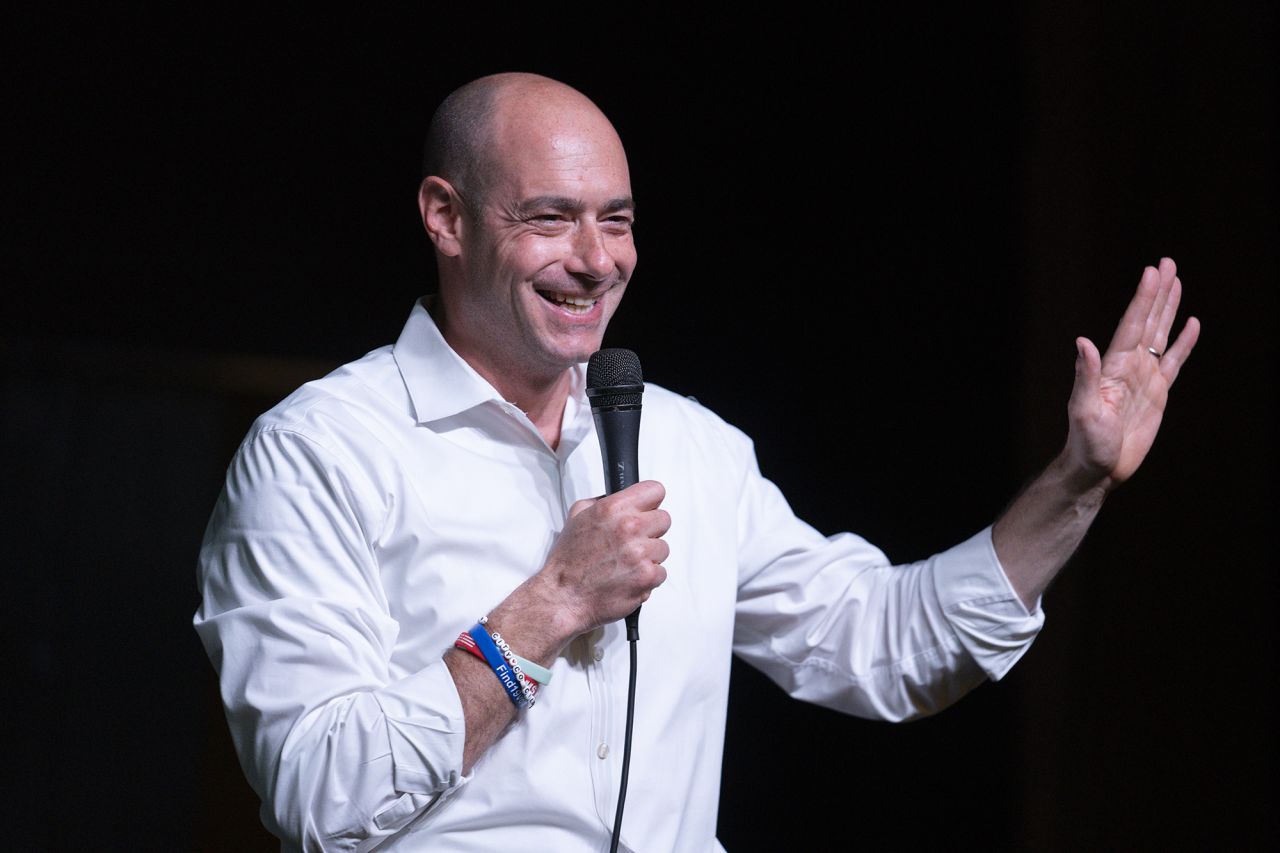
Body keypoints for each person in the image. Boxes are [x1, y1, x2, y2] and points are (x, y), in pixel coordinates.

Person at [194, 72, 1200, 852]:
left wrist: (1075, 481)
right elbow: (319, 793)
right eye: (548, 216)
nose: (595, 259)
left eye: (617, 219)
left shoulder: (691, 449)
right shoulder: (321, 451)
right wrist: (547, 604)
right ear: (445, 217)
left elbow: (887, 646)